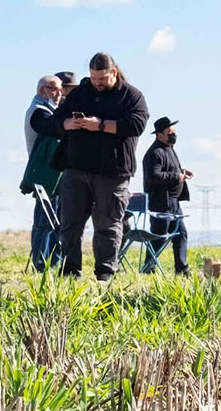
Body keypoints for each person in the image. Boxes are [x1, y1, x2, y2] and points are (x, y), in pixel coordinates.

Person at [35, 53, 150, 280]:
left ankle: (105, 275)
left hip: (112, 172)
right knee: (70, 225)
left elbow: (136, 124)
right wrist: (68, 123)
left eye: (102, 79)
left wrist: (101, 125)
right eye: (94, 78)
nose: (97, 84)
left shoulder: (132, 96)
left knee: (108, 225)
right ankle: (69, 273)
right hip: (76, 169)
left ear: (114, 73)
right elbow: (58, 117)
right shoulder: (80, 93)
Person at [22, 75, 64, 270]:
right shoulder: (39, 112)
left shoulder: (44, 110)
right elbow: (53, 128)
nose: (59, 93)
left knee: (50, 220)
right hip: (45, 175)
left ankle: (48, 263)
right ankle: (41, 264)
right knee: (45, 221)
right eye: (54, 89)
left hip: (48, 175)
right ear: (43, 90)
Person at [141, 116, 192, 275]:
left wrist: (182, 172)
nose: (173, 135)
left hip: (174, 203)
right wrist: (177, 177)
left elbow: (170, 169)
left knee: (181, 235)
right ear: (159, 134)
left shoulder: (169, 149)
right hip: (160, 203)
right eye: (169, 132)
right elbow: (154, 176)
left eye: (173, 132)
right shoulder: (155, 152)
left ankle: (181, 269)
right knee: (159, 237)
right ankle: (148, 268)